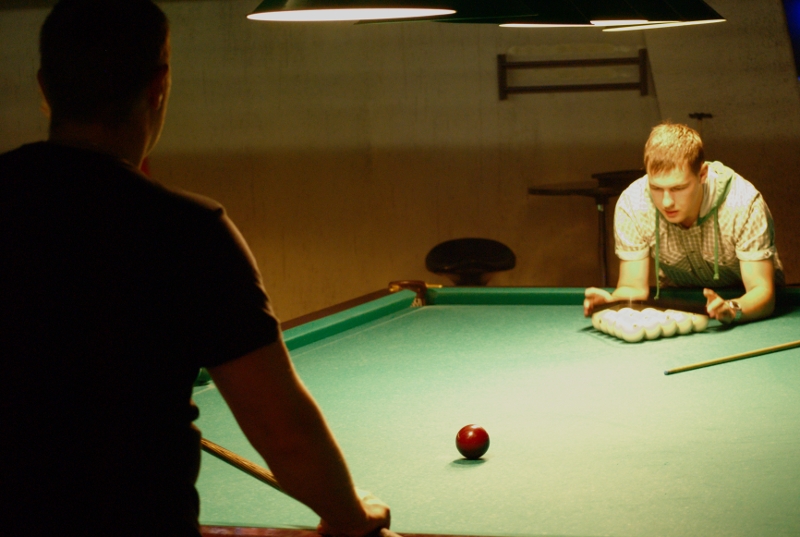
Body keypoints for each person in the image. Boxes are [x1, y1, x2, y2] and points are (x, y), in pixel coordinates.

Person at [0, 1, 390, 536]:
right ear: (159, 85)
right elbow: (282, 431)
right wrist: (351, 516)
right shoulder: (187, 229)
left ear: (45, 87)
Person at [584, 122, 783, 324]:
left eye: (678, 188)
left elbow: (761, 291)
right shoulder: (633, 204)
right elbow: (632, 287)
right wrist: (613, 303)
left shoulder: (743, 204)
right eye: (656, 188)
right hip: (680, 308)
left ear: (702, 174)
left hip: (746, 304)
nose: (666, 202)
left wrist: (732, 308)